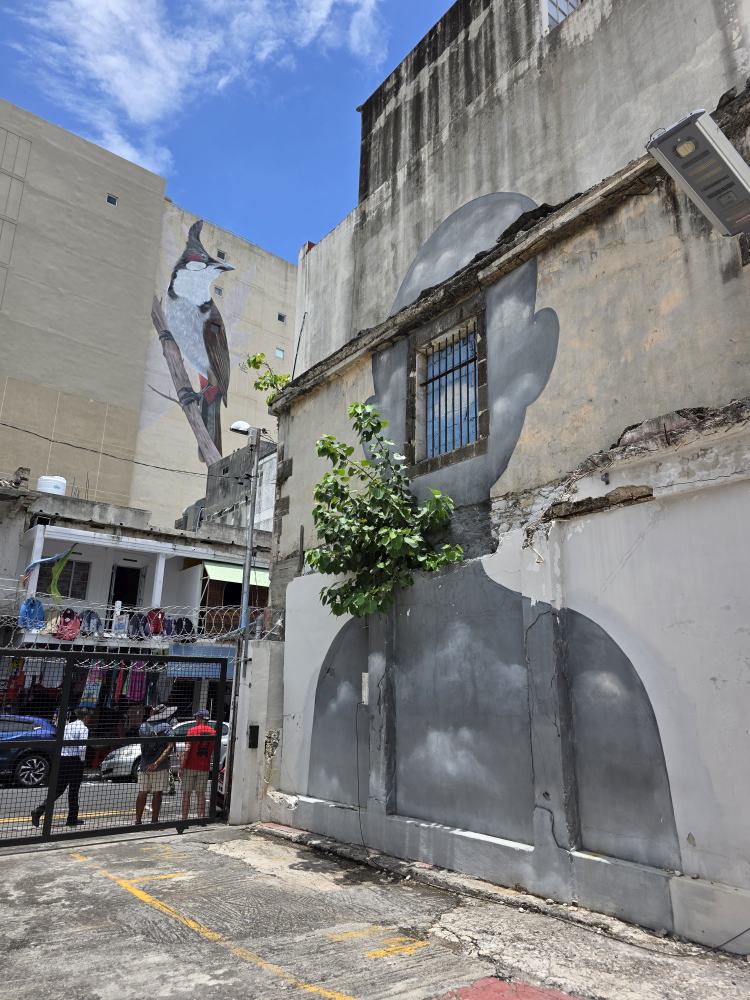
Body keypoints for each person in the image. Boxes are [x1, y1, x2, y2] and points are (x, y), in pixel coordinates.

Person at [31, 708, 89, 828]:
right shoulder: (83, 728)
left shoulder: (67, 726)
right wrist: (82, 761)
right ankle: (72, 818)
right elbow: (82, 747)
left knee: (58, 789)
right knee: (73, 791)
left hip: (62, 759)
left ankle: (39, 810)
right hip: (75, 760)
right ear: (86, 717)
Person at [135, 704, 176, 826]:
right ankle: (154, 820)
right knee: (157, 793)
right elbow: (170, 746)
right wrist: (157, 762)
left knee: (142, 792)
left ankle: (138, 821)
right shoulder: (166, 727)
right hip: (160, 766)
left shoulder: (143, 726)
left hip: (144, 764)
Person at [180, 708, 216, 820]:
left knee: (186, 794)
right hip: (204, 767)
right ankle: (201, 818)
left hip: (190, 766)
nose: (195, 719)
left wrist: (181, 767)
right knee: (201, 794)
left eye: (196, 717)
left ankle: (184, 819)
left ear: (200, 718)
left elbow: (187, 750)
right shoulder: (213, 732)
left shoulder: (192, 731)